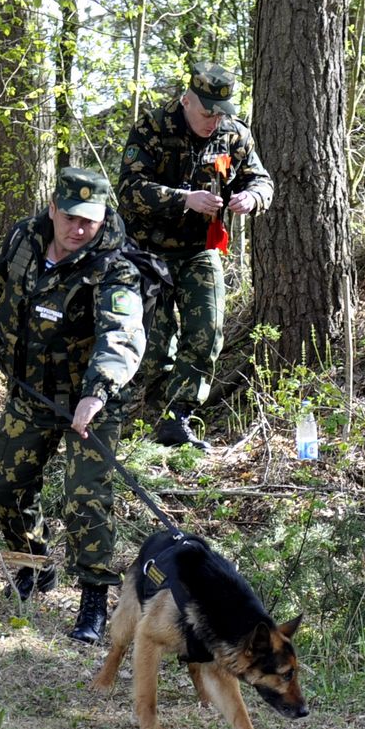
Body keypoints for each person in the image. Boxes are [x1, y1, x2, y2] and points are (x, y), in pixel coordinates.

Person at [0, 166, 146, 644]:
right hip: (32, 393)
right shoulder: (25, 238)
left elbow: (122, 337)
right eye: (70, 217)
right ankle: (32, 564)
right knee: (7, 484)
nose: (78, 229)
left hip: (94, 401)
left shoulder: (116, 266)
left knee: (84, 498)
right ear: (53, 209)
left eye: (89, 221)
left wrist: (97, 392)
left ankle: (94, 600)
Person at [117, 62, 274, 448]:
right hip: (146, 251)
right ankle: (142, 415)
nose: (214, 121)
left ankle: (177, 417)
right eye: (207, 112)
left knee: (206, 332)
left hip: (199, 250)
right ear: (186, 100)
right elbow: (130, 189)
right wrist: (184, 199)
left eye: (221, 113)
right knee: (152, 344)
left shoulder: (234, 136)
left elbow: (261, 179)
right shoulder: (152, 128)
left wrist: (252, 197)